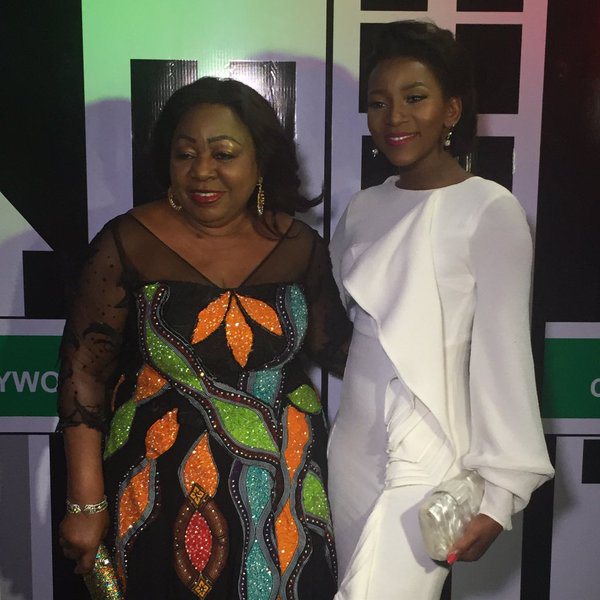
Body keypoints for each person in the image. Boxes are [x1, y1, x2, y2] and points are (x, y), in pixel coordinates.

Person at [57, 76, 351, 600]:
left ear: (260, 161)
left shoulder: (299, 246)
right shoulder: (129, 241)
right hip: (157, 485)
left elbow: (338, 349)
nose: (202, 171)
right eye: (185, 154)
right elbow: (85, 375)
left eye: (224, 154)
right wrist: (85, 501)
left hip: (285, 489)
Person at [327, 20, 554, 599]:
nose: (394, 117)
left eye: (414, 98)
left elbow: (504, 357)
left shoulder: (490, 209)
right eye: (379, 103)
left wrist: (499, 496)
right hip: (351, 451)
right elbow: (354, 333)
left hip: (427, 453)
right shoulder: (361, 210)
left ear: (451, 110)